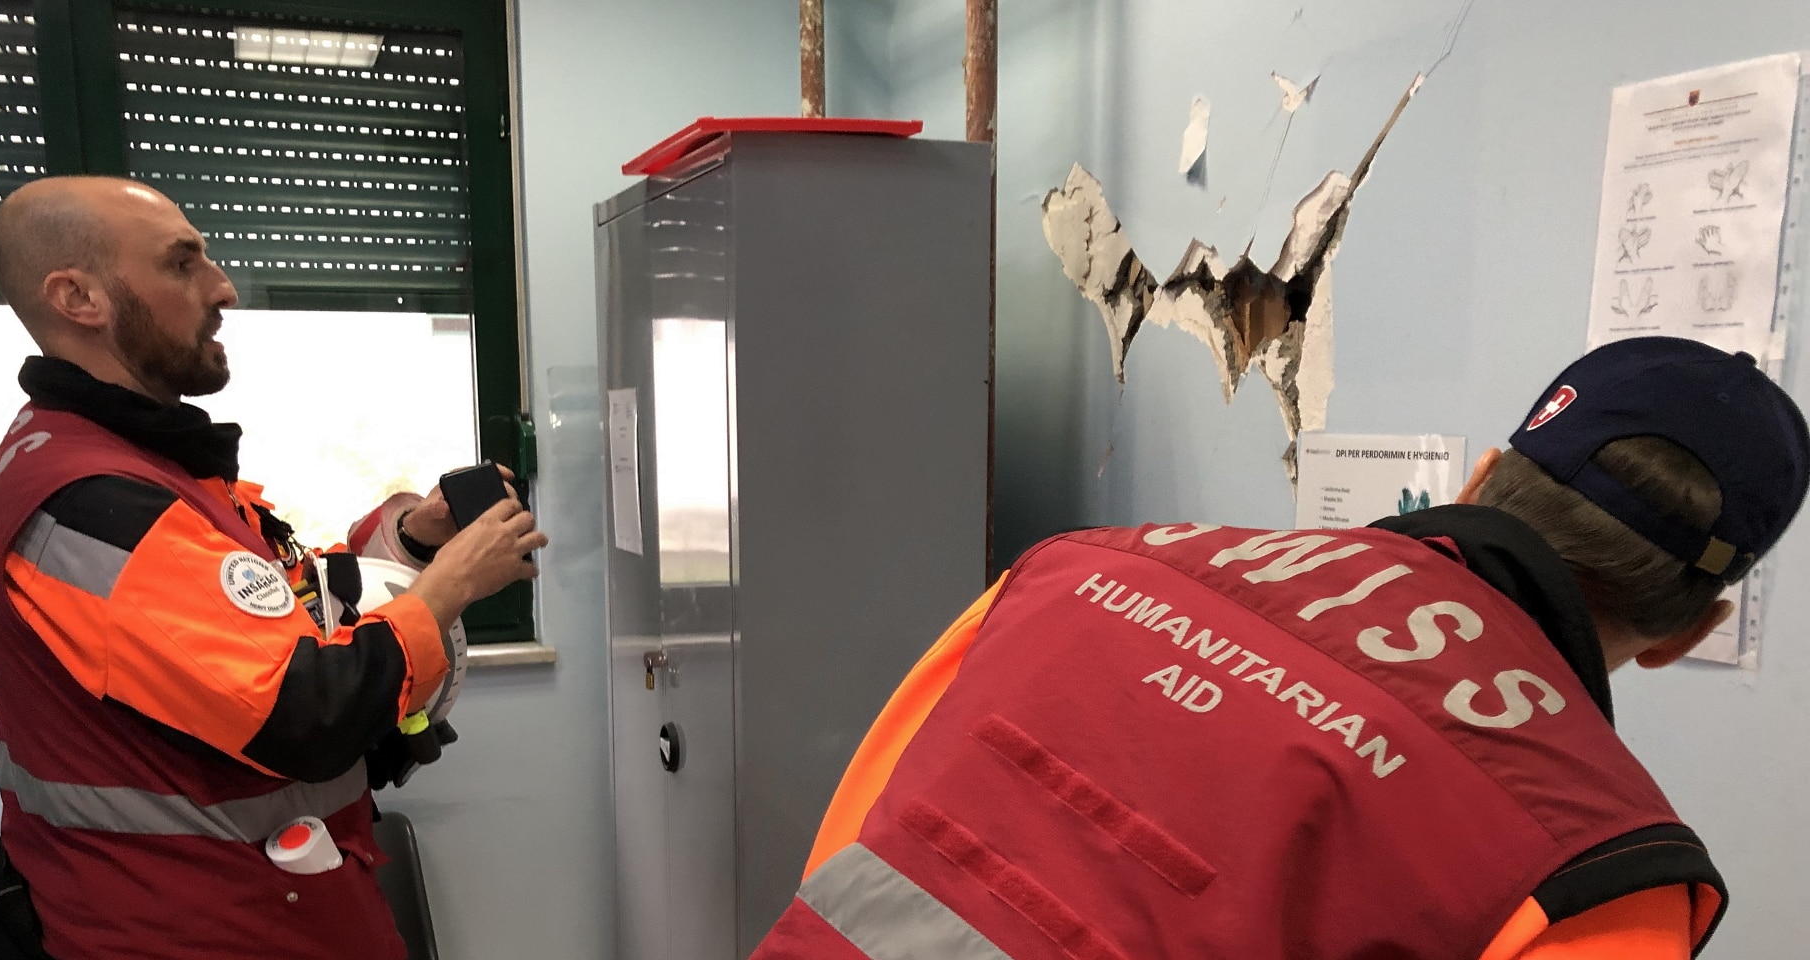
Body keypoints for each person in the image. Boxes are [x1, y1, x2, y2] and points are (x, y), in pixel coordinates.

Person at [751, 336, 1809, 960]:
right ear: (1691, 631)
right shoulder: (1604, 866)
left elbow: (851, 855)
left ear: (1483, 475)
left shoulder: (1077, 569)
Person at [0, 176, 547, 960]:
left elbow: (274, 619)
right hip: (201, 931)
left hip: (278, 907)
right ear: (78, 297)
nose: (222, 287)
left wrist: (411, 541)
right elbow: (306, 710)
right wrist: (452, 588)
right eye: (182, 264)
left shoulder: (145, 467)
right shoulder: (88, 504)